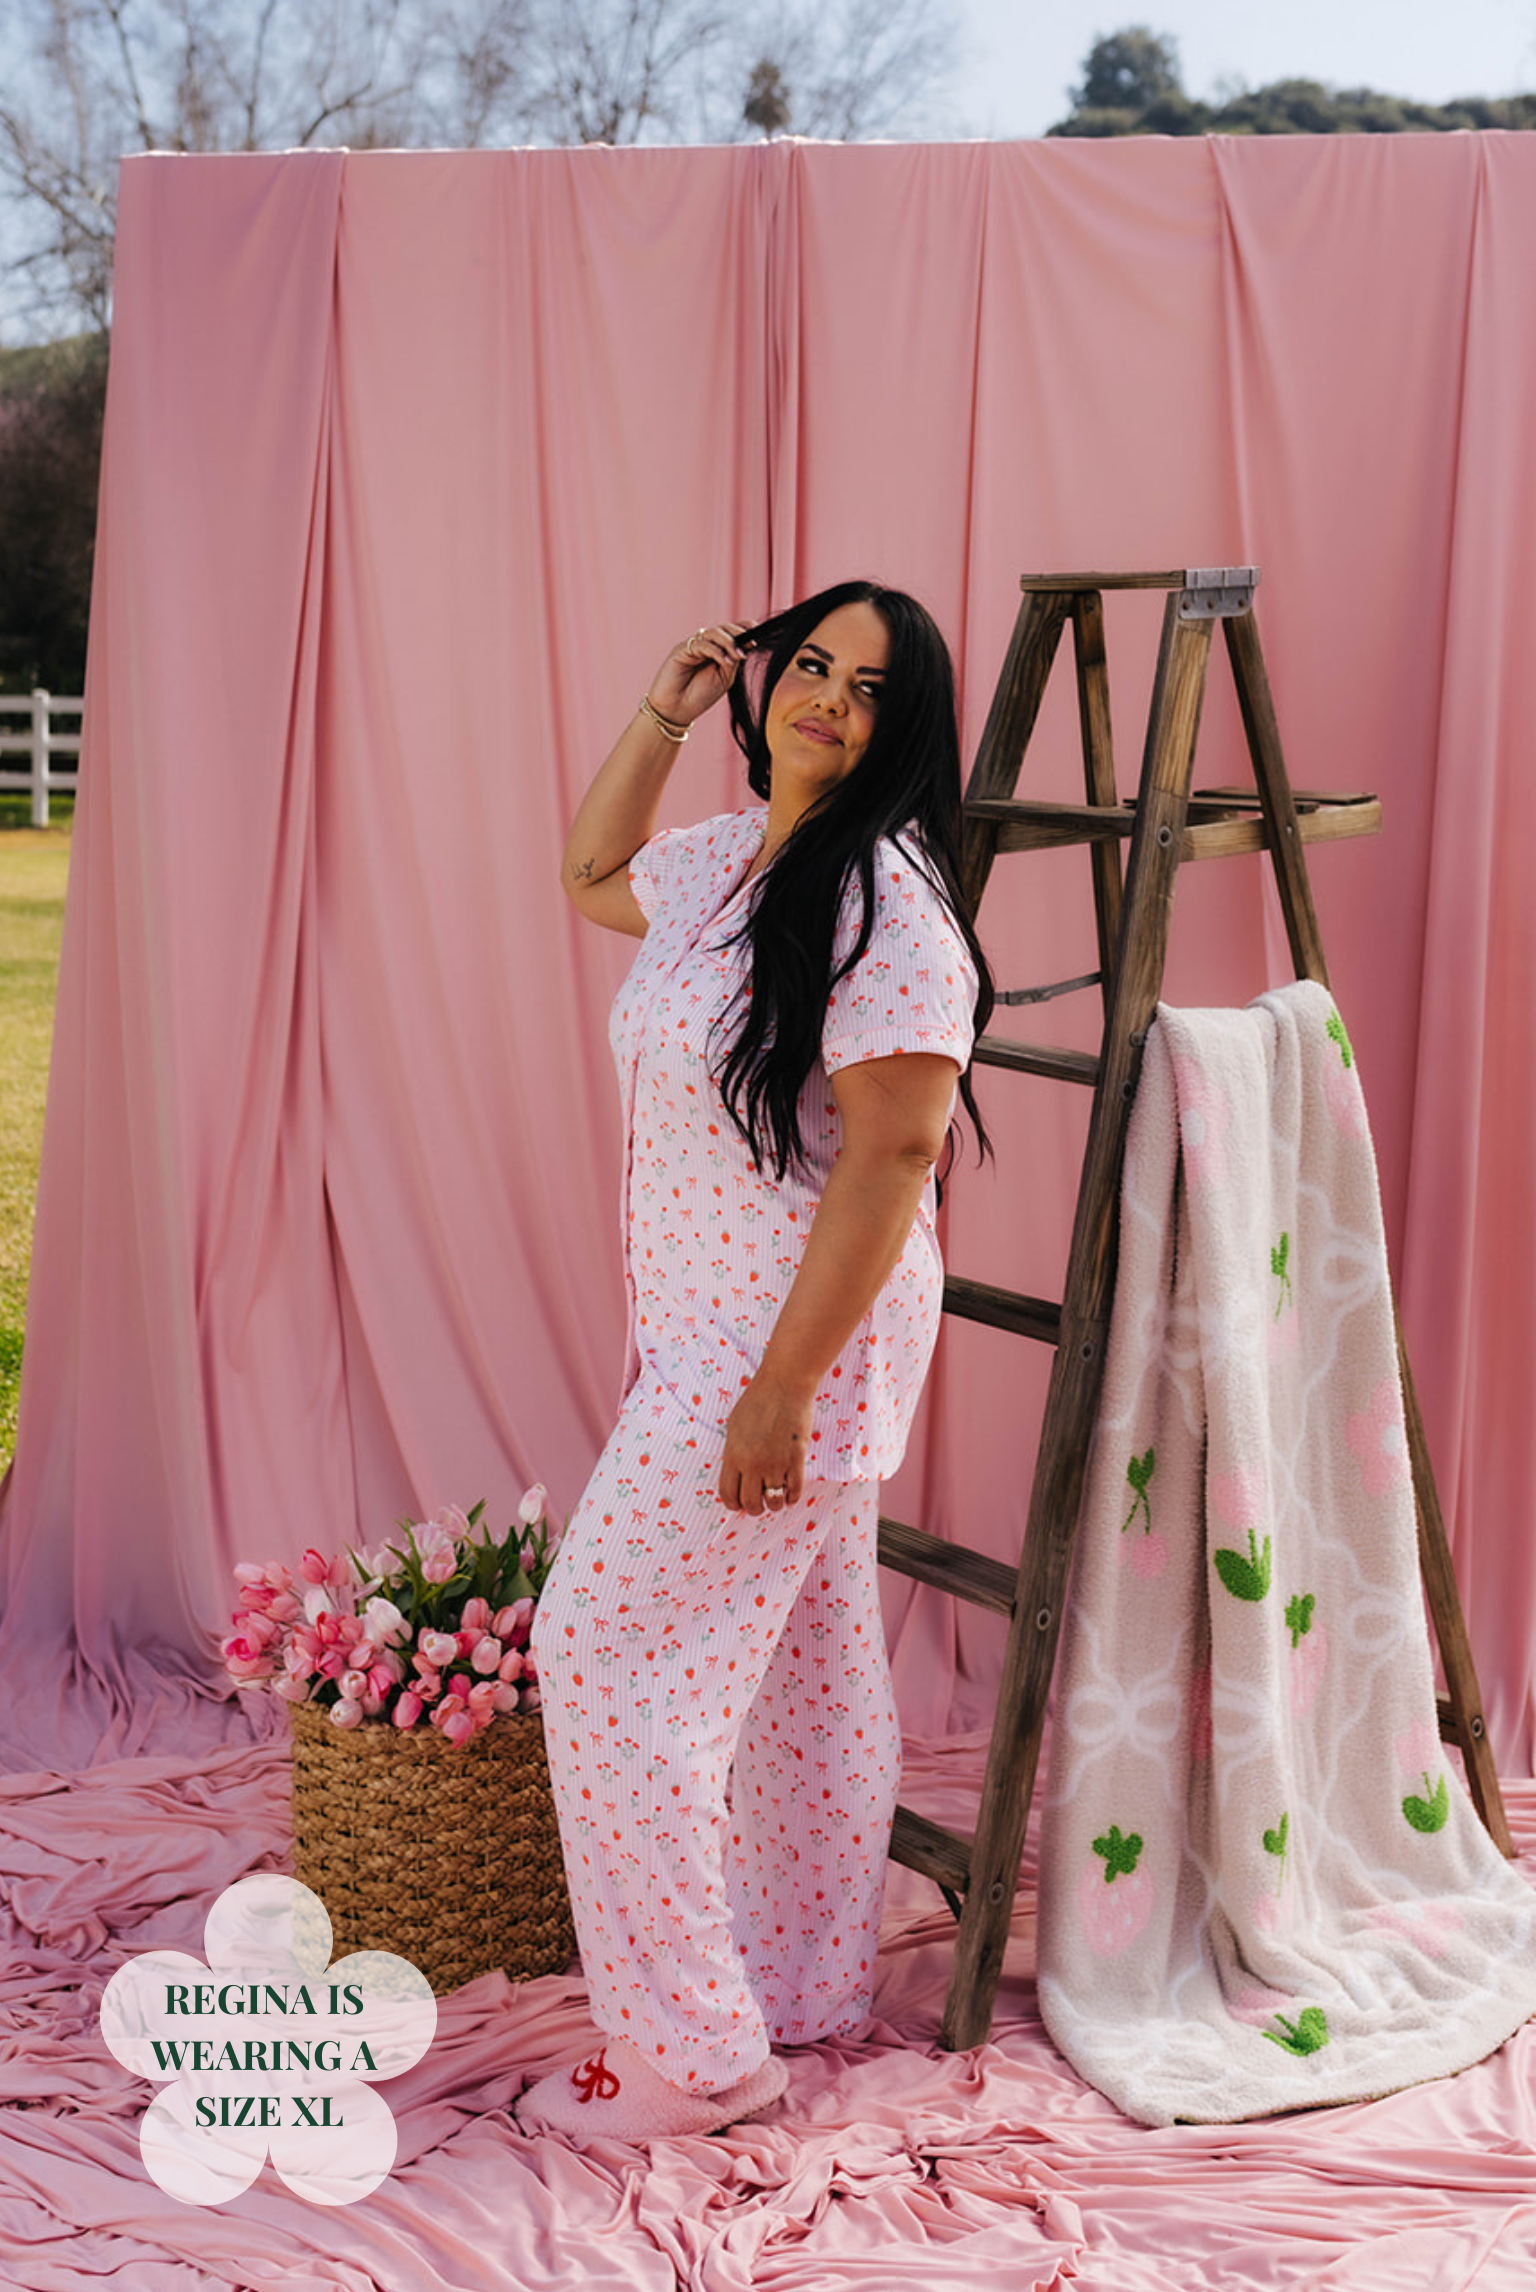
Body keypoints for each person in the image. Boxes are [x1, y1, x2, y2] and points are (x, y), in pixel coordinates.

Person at [519, 580, 994, 2141]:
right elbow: (591, 873)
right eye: (812, 665)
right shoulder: (734, 860)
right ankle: (801, 1985)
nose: (827, 700)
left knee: (604, 1653)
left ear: (902, 732)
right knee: (807, 1672)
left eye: (869, 690)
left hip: (783, 1346)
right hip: (716, 1328)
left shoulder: (887, 904)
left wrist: (781, 1389)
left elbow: (899, 1152)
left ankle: (692, 2057)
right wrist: (661, 714)